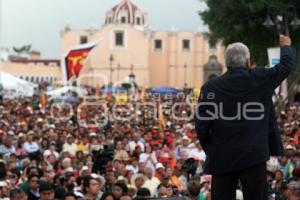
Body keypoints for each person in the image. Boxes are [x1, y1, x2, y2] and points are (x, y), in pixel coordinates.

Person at [195, 35, 296, 200]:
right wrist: (285, 46)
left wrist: (212, 148)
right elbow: (286, 66)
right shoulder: (261, 78)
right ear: (248, 62)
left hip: (222, 156)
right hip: (254, 155)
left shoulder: (210, 87)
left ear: (227, 63)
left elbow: (202, 125)